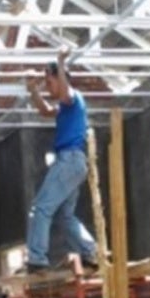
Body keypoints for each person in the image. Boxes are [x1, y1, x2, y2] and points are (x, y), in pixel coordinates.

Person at [22, 46, 99, 274]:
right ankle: (90, 251)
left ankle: (37, 258)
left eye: (49, 82)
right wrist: (32, 90)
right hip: (75, 164)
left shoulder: (72, 98)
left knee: (40, 208)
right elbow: (45, 111)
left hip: (69, 160)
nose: (47, 88)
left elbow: (65, 91)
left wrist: (60, 62)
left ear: (61, 78)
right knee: (64, 216)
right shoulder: (66, 108)